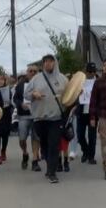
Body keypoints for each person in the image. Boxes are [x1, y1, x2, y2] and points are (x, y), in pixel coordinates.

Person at [24, 54, 69, 184]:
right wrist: (34, 94)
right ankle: (50, 166)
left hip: (56, 118)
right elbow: (26, 94)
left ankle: (52, 172)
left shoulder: (63, 79)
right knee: (44, 146)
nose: (48, 64)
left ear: (55, 63)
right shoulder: (36, 79)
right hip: (40, 118)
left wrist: (77, 93)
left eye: (51, 61)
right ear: (43, 64)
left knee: (54, 145)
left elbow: (71, 94)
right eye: (45, 62)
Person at [14, 64, 42, 172]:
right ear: (27, 72)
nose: (33, 73)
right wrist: (21, 104)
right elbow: (15, 99)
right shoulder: (20, 85)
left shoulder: (41, 84)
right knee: (22, 138)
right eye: (30, 71)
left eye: (35, 71)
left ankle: (35, 160)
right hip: (24, 115)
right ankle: (25, 153)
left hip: (36, 115)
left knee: (36, 138)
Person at [76, 62, 98, 165]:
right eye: (90, 72)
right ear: (86, 72)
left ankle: (91, 156)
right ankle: (85, 151)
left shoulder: (98, 82)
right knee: (80, 135)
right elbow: (73, 95)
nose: (91, 73)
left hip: (93, 111)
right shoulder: (80, 82)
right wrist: (77, 93)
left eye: (93, 71)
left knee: (92, 135)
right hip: (81, 110)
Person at [0, 74, 13, 166]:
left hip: (7, 114)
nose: (0, 81)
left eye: (2, 80)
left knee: (5, 135)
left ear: (5, 81)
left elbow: (12, 101)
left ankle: (3, 151)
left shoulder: (9, 90)